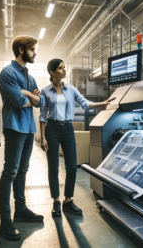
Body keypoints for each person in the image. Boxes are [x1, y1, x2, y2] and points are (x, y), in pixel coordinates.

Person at [39, 59, 115, 217]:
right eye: (60, 68)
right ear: (53, 73)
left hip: (67, 128)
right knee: (53, 168)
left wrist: (102, 103)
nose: (64, 70)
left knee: (72, 167)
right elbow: (42, 116)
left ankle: (68, 201)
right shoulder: (45, 91)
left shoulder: (71, 89)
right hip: (52, 128)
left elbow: (85, 104)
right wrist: (43, 137)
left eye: (64, 67)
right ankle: (56, 202)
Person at [0, 35, 45, 241]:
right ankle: (5, 221)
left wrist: (27, 93)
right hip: (15, 127)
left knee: (23, 170)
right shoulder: (8, 73)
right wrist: (27, 96)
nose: (35, 53)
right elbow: (18, 101)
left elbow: (39, 101)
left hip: (28, 128)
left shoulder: (29, 76)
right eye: (32, 49)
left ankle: (21, 209)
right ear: (21, 50)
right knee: (10, 172)